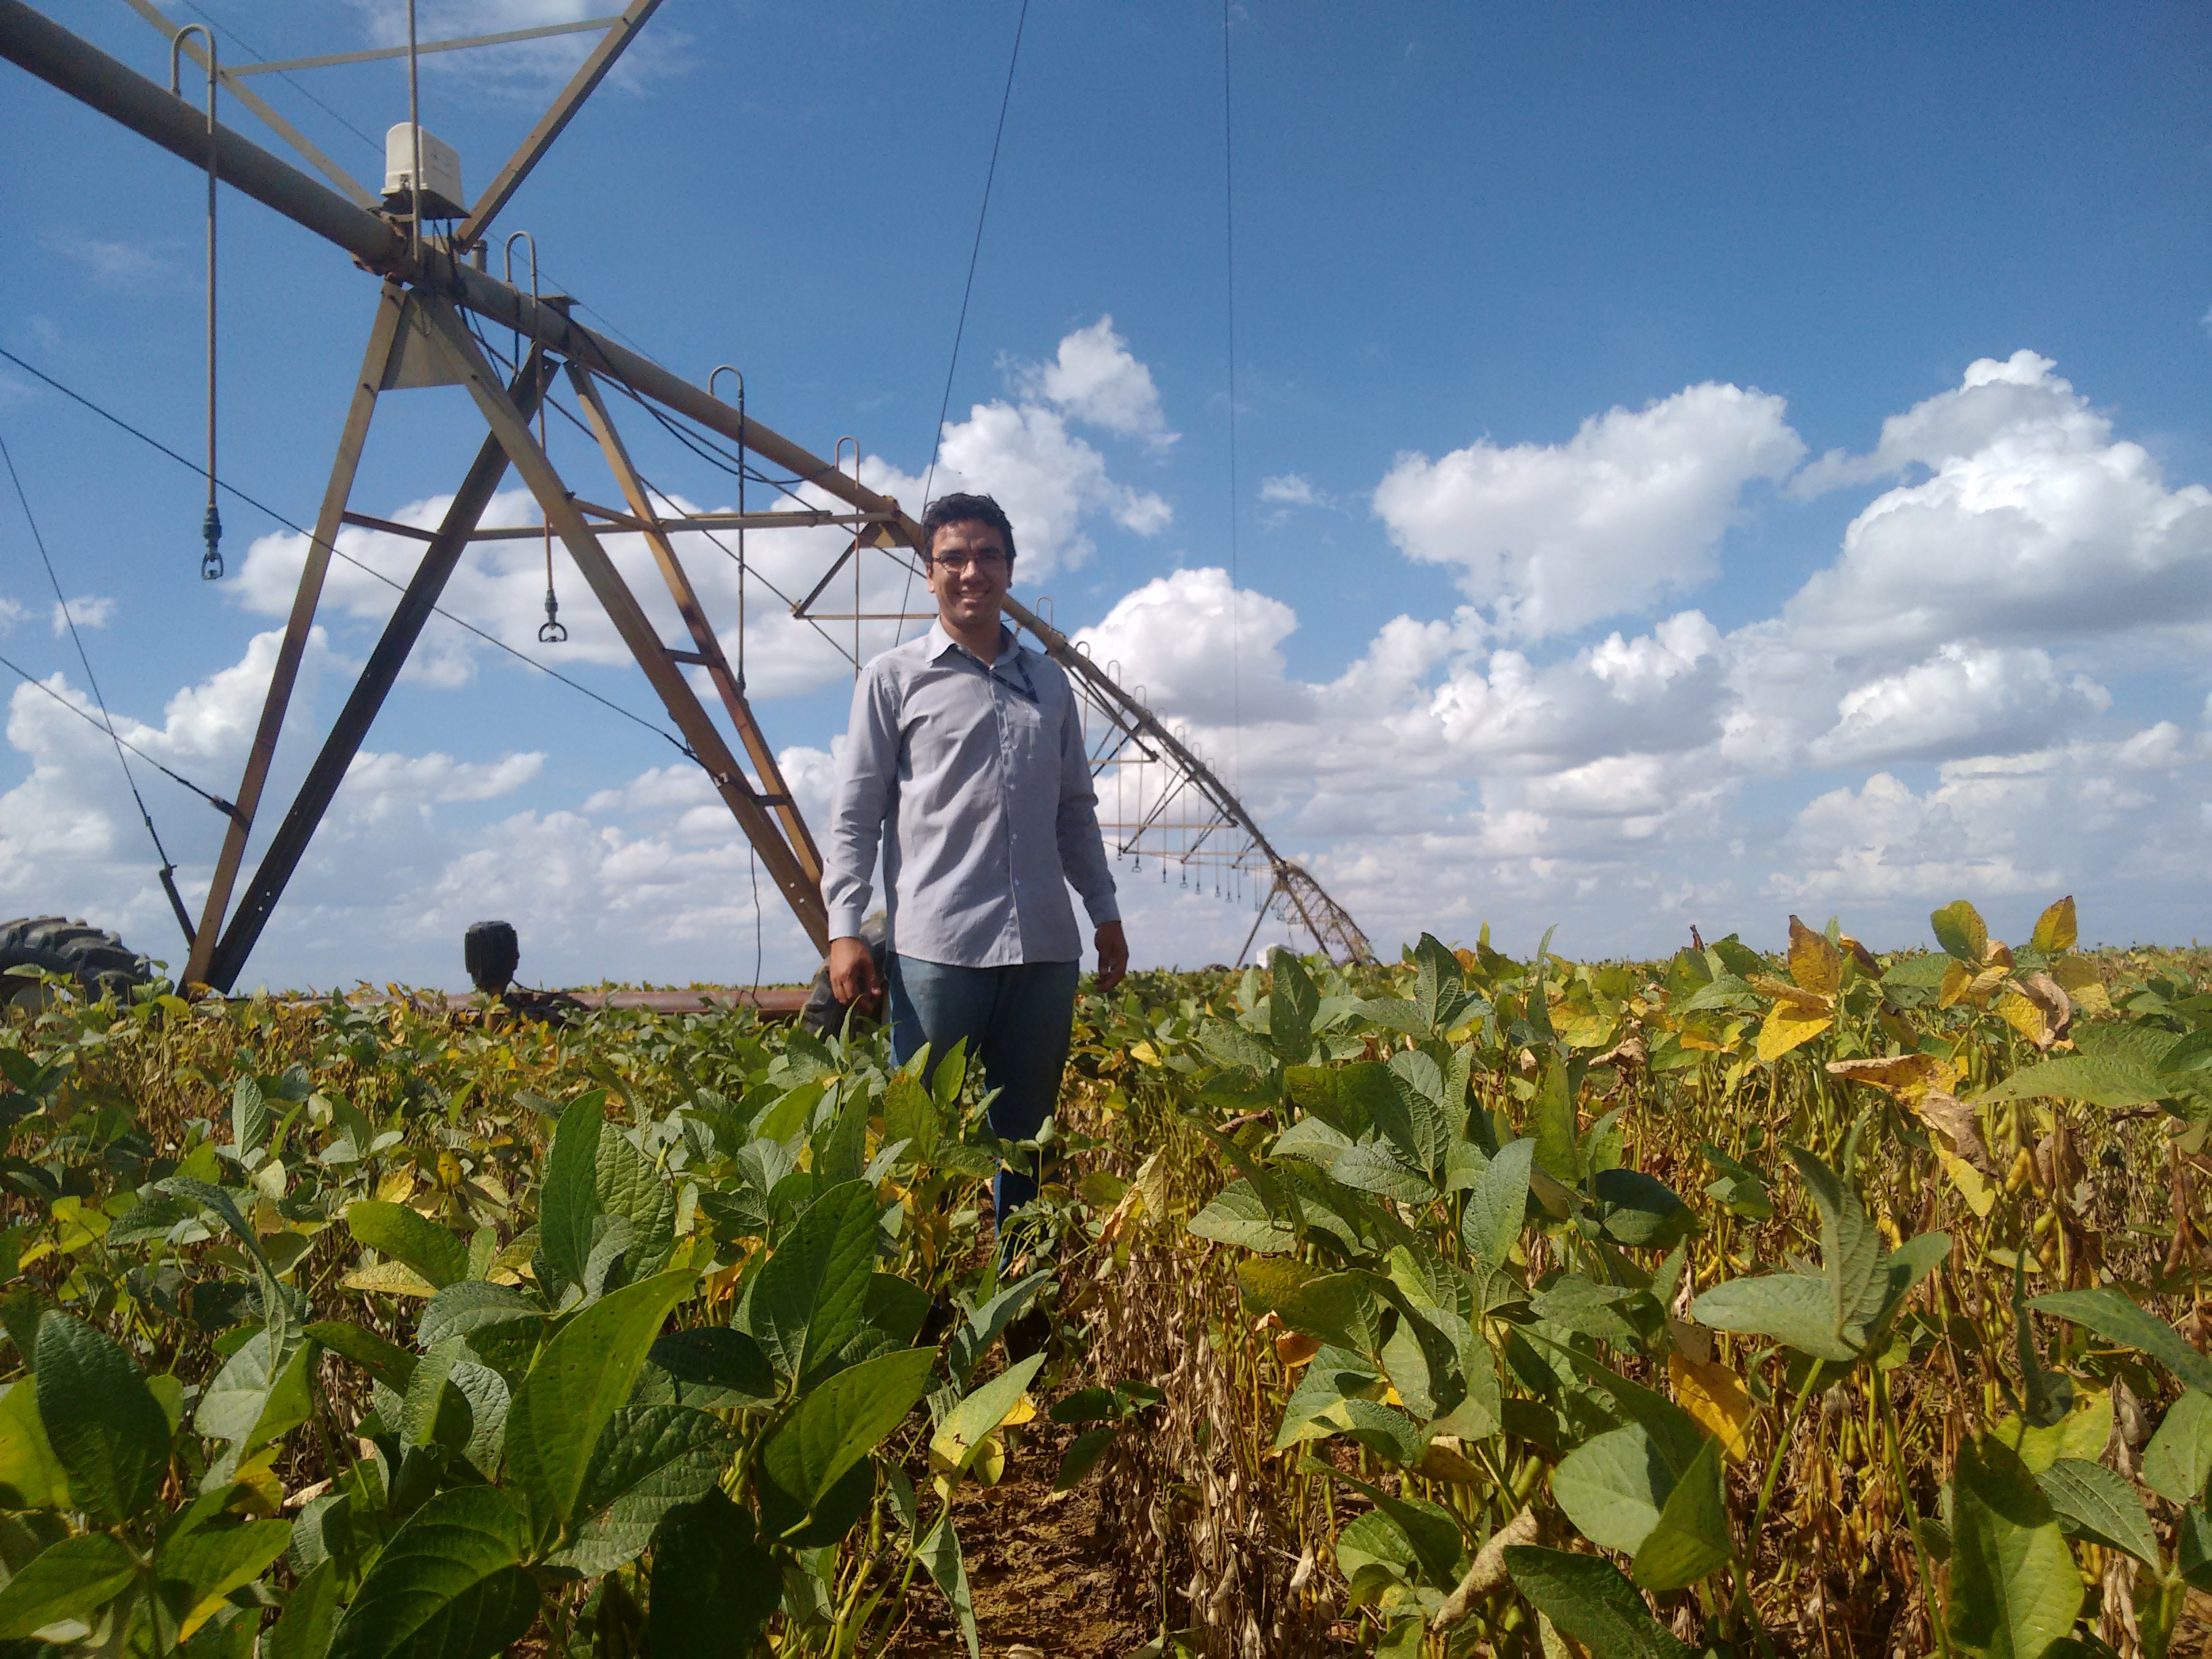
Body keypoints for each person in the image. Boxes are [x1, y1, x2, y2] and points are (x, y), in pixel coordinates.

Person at [822, 492, 1128, 1236]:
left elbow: (1074, 811)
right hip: (939, 949)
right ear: (929, 574)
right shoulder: (893, 678)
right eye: (952, 558)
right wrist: (844, 927)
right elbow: (857, 811)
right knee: (919, 1141)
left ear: (1010, 570)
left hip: (1045, 948)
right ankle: (917, 1289)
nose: (971, 572)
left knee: (1027, 1141)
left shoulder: (1049, 683)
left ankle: (1018, 1289)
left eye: (987, 556)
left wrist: (1105, 912)